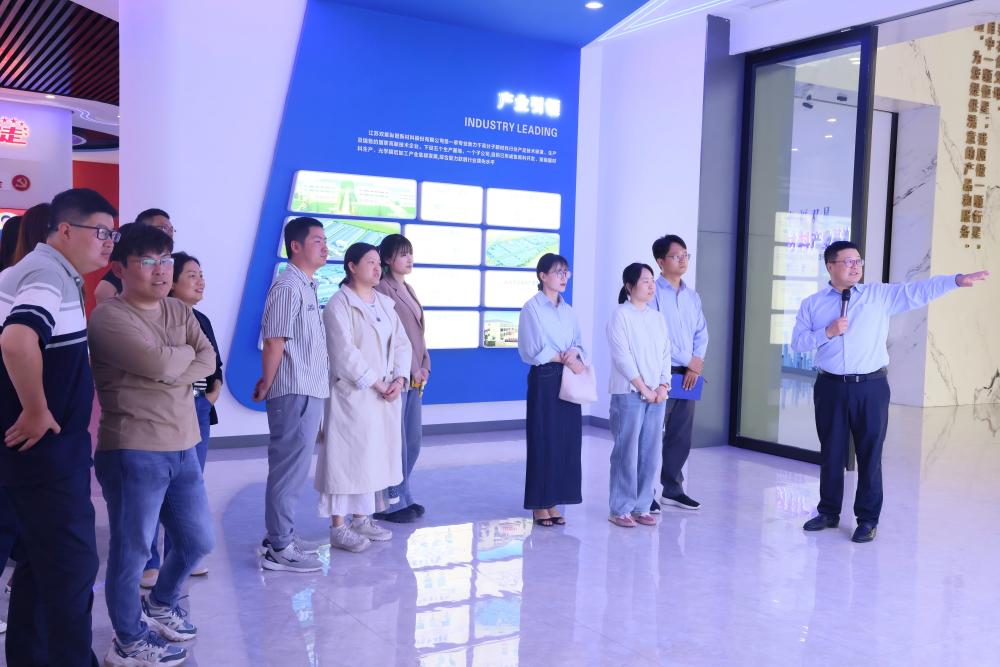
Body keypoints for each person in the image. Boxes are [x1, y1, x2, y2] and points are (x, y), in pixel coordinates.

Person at [792, 241, 989, 543]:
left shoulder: (878, 295)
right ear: (830, 266)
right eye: (848, 261)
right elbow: (798, 343)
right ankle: (828, 512)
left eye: (858, 261)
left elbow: (918, 291)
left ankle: (867, 520)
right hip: (830, 387)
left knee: (870, 454)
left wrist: (955, 280)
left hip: (871, 387)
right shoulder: (812, 304)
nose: (856, 266)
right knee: (831, 452)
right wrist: (827, 332)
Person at [0, 187, 117, 666]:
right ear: (65, 230)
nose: (108, 243)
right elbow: (17, 340)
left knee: (41, 562)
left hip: (43, 455)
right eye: (101, 232)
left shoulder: (46, 271)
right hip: (46, 455)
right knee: (70, 567)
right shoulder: (47, 273)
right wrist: (35, 408)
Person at [89, 224, 217, 665]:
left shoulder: (178, 310)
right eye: (148, 261)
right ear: (120, 268)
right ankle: (128, 641)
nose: (161, 270)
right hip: (134, 449)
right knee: (132, 553)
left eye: (165, 260)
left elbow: (207, 359)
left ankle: (161, 603)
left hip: (184, 445)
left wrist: (169, 365)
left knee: (197, 541)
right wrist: (174, 363)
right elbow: (161, 365)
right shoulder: (110, 317)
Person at [318, 242, 411, 552]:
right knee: (345, 460)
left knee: (370, 457)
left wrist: (399, 378)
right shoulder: (339, 304)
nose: (376, 267)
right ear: (351, 267)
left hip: (384, 395)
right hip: (354, 395)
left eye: (377, 262)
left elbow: (402, 344)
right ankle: (338, 526)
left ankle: (361, 518)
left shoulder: (384, 303)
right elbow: (344, 352)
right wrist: (377, 383)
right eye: (369, 262)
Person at [141, 252, 223, 589]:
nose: (200, 281)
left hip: (198, 409)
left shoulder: (201, 319)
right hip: (164, 409)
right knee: (155, 488)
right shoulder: (156, 318)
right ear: (171, 282)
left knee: (189, 486)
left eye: (201, 274)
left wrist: (209, 397)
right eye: (192, 275)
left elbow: (214, 365)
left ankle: (180, 556)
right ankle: (148, 563)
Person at [253, 216, 330, 571]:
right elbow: (274, 340)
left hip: (308, 388)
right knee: (288, 470)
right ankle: (279, 548)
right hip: (294, 389)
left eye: (325, 240)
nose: (325, 246)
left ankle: (280, 535)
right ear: (295, 246)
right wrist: (267, 383)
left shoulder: (306, 285)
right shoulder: (288, 286)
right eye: (317, 240)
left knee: (294, 470)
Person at [517, 253, 587, 527]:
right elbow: (532, 348)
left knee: (565, 441)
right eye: (558, 272)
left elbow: (578, 342)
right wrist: (564, 357)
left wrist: (574, 353)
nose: (563, 277)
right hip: (545, 377)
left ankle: (554, 501)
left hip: (568, 376)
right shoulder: (531, 308)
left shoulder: (568, 310)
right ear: (542, 276)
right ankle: (539, 504)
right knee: (543, 439)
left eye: (566, 272)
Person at [606, 263, 672, 528]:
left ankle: (642, 506)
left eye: (652, 280)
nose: (651, 285)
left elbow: (666, 353)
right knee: (626, 452)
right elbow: (622, 356)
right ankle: (620, 508)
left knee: (650, 453)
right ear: (629, 286)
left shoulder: (657, 318)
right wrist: (644, 388)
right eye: (645, 281)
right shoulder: (620, 315)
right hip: (629, 393)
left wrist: (663, 386)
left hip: (656, 396)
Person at [373, 234, 429, 523]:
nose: (410, 259)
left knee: (412, 442)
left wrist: (425, 365)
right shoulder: (383, 289)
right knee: (397, 443)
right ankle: (389, 503)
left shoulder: (408, 288)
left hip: (415, 376)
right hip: (398, 376)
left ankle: (404, 495)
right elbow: (395, 337)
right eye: (403, 254)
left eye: (410, 253)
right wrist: (410, 369)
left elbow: (417, 333)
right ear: (387, 259)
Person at [651, 234, 708, 512]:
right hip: (661, 373)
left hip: (689, 375)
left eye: (685, 255)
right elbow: (657, 336)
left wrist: (696, 362)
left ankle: (673, 489)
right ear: (660, 261)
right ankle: (644, 492)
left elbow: (702, 333)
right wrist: (691, 361)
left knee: (680, 434)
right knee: (651, 435)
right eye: (676, 256)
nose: (683, 260)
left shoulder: (692, 296)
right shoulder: (652, 292)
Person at [94, 208, 174, 304]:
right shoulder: (130, 262)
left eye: (171, 230)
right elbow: (102, 292)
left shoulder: (178, 307)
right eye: (163, 228)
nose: (169, 234)